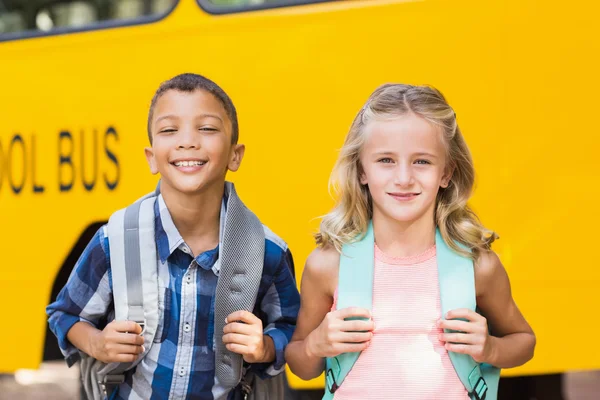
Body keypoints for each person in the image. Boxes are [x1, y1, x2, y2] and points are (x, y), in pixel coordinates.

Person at [47, 73, 300, 399]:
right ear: (151, 158)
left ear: (235, 155)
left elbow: (292, 328)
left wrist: (265, 347)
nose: (187, 141)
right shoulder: (116, 241)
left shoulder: (265, 251)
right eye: (169, 130)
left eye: (207, 128)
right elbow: (66, 314)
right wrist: (97, 343)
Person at [285, 83, 536, 399]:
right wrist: (316, 344)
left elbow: (524, 341)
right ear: (361, 169)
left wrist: (490, 348)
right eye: (386, 160)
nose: (404, 178)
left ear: (446, 173)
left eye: (422, 161)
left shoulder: (478, 265)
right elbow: (300, 364)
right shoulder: (328, 263)